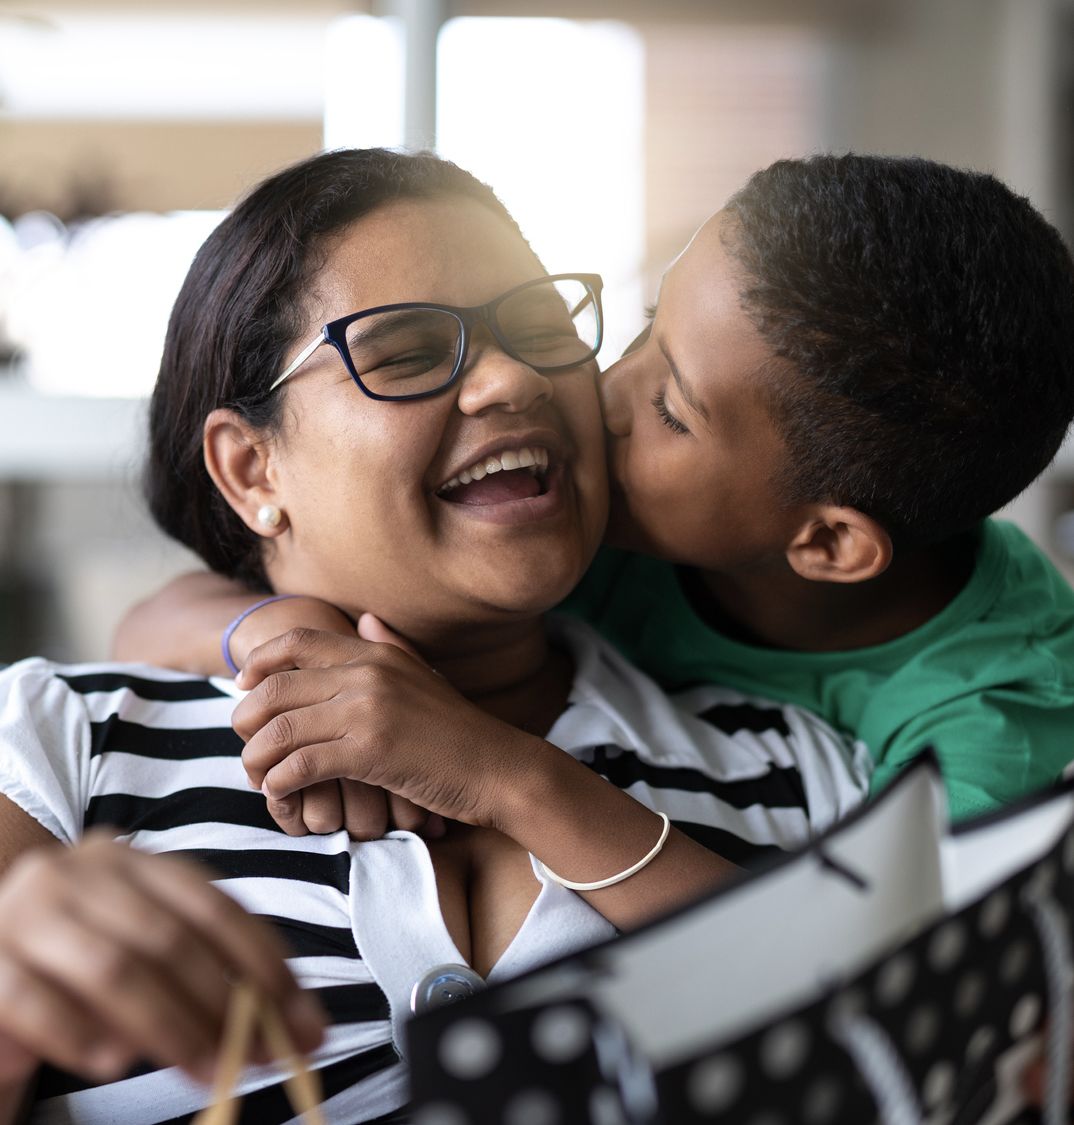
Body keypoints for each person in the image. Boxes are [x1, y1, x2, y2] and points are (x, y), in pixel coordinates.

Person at [0, 148, 866, 1124]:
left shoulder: (800, 773)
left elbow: (899, 1069)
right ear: (252, 473)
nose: (511, 381)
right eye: (406, 351)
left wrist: (507, 775)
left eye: (540, 327)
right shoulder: (60, 743)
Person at [121, 153, 1074, 829]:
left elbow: (883, 1007)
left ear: (825, 544)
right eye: (648, 326)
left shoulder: (992, 729)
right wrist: (278, 636)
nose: (595, 392)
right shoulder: (590, 523)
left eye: (670, 406)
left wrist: (497, 773)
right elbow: (152, 621)